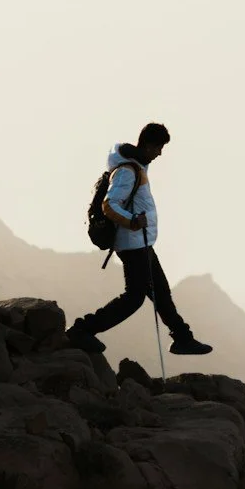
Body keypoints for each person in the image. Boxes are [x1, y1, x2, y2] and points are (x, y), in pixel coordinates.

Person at [69, 121, 212, 357]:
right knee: (134, 298)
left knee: (161, 293)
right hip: (132, 244)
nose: (160, 153)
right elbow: (109, 205)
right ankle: (82, 329)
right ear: (147, 145)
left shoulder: (136, 167)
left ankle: (183, 339)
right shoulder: (127, 171)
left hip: (140, 243)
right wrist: (134, 221)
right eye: (158, 147)